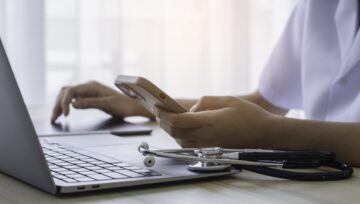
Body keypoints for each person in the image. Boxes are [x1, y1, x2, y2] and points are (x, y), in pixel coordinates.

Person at [51, 0, 360, 166]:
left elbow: (264, 121)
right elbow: (265, 103)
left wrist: (269, 133)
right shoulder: (320, 6)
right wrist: (145, 104)